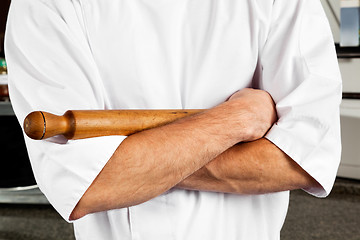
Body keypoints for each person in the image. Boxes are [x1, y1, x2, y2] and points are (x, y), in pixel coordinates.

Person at [5, 0, 342, 239]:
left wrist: (128, 163)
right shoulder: (44, 5)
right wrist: (237, 119)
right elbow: (88, 185)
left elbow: (299, 159)